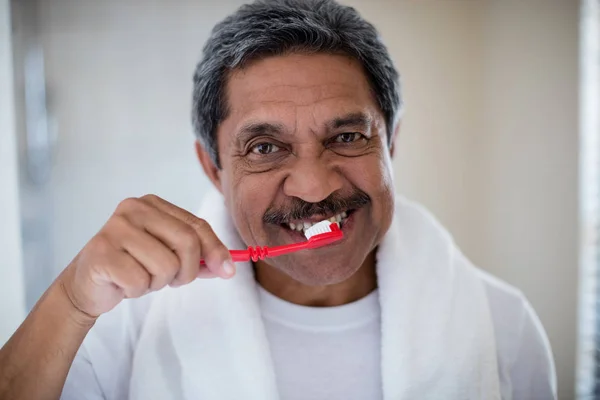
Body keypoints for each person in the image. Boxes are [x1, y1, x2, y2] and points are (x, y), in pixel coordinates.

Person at [0, 0, 557, 399]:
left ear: (390, 144)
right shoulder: (122, 328)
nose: (314, 188)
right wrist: (72, 302)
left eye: (346, 137)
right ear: (212, 169)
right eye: (265, 147)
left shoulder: (504, 327)